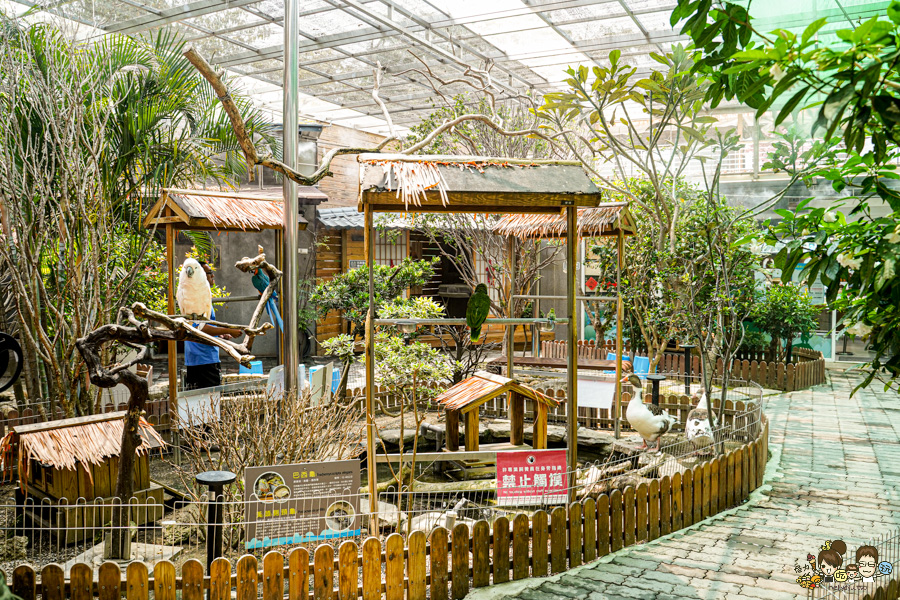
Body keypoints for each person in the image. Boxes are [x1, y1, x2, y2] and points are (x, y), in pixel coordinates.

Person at [184, 261, 242, 390]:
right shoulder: (196, 297)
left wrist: (220, 333)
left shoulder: (201, 296)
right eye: (210, 273)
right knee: (209, 403)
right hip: (203, 360)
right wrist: (229, 330)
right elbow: (198, 328)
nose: (213, 276)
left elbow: (202, 325)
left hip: (199, 357)